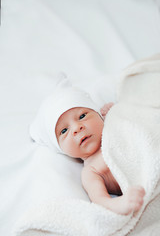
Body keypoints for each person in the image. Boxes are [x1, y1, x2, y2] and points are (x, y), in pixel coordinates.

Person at [30, 75, 145, 215]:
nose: (77, 128)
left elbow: (135, 120)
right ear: (61, 149)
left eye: (82, 116)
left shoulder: (111, 123)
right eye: (64, 131)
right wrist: (121, 203)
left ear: (98, 114)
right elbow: (101, 201)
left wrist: (114, 112)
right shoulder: (91, 171)